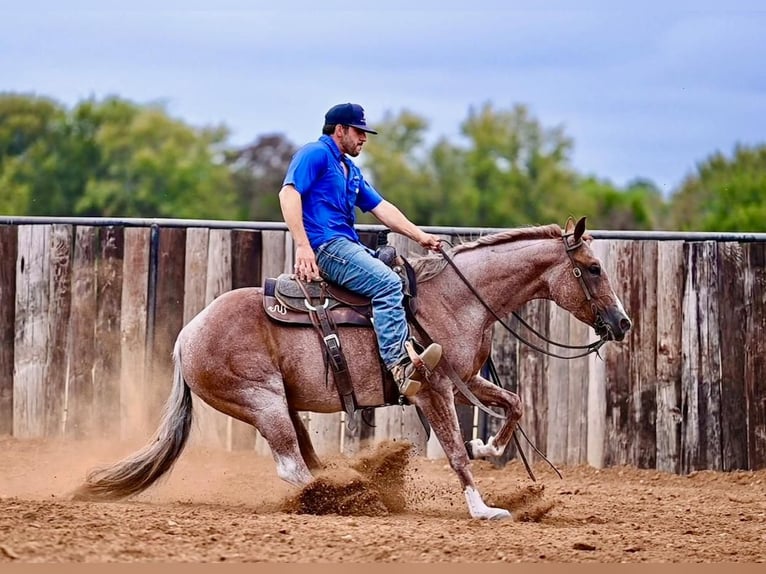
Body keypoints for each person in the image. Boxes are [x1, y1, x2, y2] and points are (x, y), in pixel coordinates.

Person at [278, 102, 442, 397]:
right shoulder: (314, 154)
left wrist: (420, 236)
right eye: (359, 131)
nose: (364, 138)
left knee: (402, 276)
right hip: (327, 247)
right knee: (389, 284)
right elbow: (289, 193)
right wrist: (303, 246)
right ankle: (399, 366)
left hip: (345, 245)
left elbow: (381, 207)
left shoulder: (349, 169)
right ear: (340, 130)